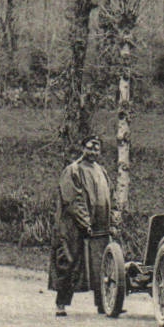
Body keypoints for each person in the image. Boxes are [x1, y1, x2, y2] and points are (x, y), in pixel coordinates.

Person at [49, 134, 112, 316]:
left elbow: (111, 196)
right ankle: (61, 303)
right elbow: (73, 200)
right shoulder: (73, 170)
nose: (93, 151)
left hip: (99, 226)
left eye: (97, 148)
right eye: (90, 147)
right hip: (73, 226)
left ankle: (103, 304)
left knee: (101, 263)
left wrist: (112, 221)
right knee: (69, 261)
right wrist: (85, 222)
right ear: (83, 148)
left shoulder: (101, 171)